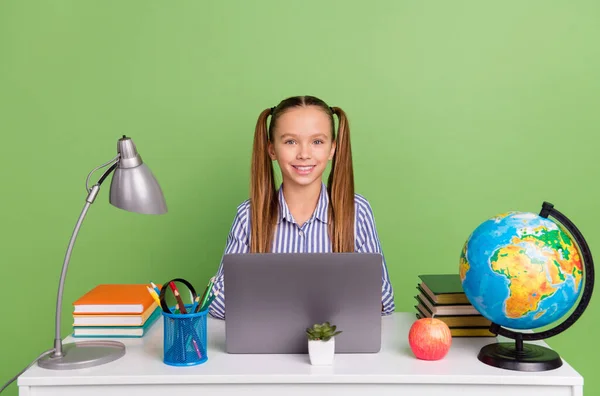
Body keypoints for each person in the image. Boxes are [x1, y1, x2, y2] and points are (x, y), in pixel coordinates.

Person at [208, 95, 395, 319]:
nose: (304, 154)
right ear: (272, 150)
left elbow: (385, 298)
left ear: (332, 149)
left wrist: (271, 295)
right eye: (290, 142)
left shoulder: (357, 211)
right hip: (265, 351)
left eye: (317, 142)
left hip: (337, 349)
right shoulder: (249, 215)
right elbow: (216, 301)